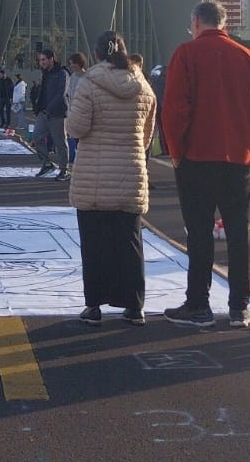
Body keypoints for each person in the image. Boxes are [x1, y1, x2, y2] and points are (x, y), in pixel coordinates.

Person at [161, 1, 250, 329]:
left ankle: (199, 304)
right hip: (237, 160)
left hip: (196, 157)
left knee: (199, 233)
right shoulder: (247, 57)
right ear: (224, 24)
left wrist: (176, 152)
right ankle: (240, 306)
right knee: (238, 232)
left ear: (196, 22)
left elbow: (175, 110)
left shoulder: (186, 54)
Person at [65, 31, 156, 326]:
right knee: (130, 241)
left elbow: (77, 128)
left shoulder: (90, 83)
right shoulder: (143, 86)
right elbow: (146, 138)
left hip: (94, 174)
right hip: (130, 172)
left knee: (94, 243)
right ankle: (135, 305)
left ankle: (94, 306)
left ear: (95, 55)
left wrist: (69, 120)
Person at [31, 50, 70, 180]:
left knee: (60, 142)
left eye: (43, 60)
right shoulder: (44, 74)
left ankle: (64, 169)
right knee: (37, 136)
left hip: (57, 112)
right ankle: (47, 163)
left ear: (51, 59)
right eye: (40, 60)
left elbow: (61, 93)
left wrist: (49, 108)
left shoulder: (62, 73)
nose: (41, 63)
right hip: (43, 112)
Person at [63, 52, 88, 165]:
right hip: (73, 110)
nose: (71, 65)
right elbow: (68, 93)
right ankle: (75, 156)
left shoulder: (87, 77)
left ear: (79, 63)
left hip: (84, 110)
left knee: (83, 136)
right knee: (73, 134)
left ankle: (83, 157)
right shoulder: (72, 77)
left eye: (73, 63)